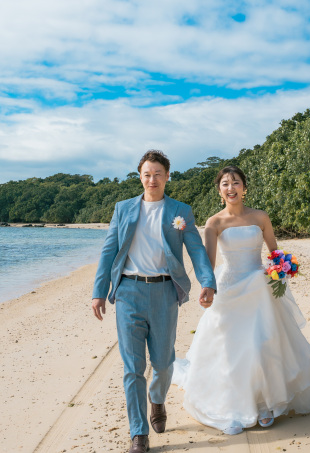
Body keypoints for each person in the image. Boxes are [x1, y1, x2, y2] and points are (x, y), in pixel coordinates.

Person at [172, 165, 310, 435]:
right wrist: (207, 288)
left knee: (262, 344)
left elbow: (275, 252)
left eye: (236, 182)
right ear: (219, 190)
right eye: (225, 183)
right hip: (229, 289)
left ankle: (264, 403)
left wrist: (281, 269)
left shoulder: (260, 217)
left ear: (244, 188)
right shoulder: (214, 223)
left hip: (259, 286)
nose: (231, 188)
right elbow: (208, 263)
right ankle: (232, 406)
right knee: (231, 349)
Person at [91, 149, 217, 453]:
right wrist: (99, 291)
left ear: (167, 176)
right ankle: (139, 434)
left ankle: (157, 399)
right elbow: (109, 251)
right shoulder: (123, 209)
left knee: (163, 362)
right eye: (147, 174)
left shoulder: (180, 211)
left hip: (164, 293)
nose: (152, 179)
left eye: (158, 174)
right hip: (128, 292)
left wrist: (208, 282)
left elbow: (196, 249)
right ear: (140, 177)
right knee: (133, 367)